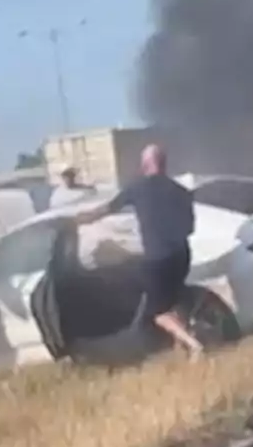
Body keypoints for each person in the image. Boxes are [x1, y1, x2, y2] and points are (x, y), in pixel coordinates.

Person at [73, 143, 205, 359]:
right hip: (181, 254)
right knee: (174, 300)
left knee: (158, 312)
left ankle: (194, 344)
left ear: (145, 165)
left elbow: (107, 209)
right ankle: (183, 347)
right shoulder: (181, 191)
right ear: (164, 163)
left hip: (157, 258)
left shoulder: (137, 188)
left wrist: (79, 219)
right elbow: (190, 228)